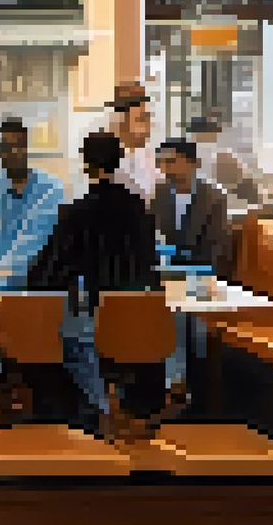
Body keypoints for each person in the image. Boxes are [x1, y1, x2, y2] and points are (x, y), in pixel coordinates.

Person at [27, 131, 183, 442]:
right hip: (148, 324)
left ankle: (97, 407)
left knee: (64, 339)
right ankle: (137, 407)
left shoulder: (79, 212)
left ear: (87, 165)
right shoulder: (139, 208)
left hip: (103, 325)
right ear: (119, 160)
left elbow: (46, 273)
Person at [0, 118, 65, 431]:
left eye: (18, 145)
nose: (12, 152)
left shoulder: (50, 190)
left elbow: (35, 244)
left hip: (36, 288)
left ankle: (28, 398)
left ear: (27, 147)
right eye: (6, 147)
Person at [151, 138, 235, 278]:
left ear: (193, 163)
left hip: (202, 273)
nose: (165, 169)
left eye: (171, 162)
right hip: (163, 271)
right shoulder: (159, 193)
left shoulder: (214, 198)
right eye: (161, 163)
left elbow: (215, 247)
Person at [108, 82, 160, 203]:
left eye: (148, 119)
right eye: (141, 120)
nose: (148, 127)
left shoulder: (152, 161)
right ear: (121, 120)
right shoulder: (109, 159)